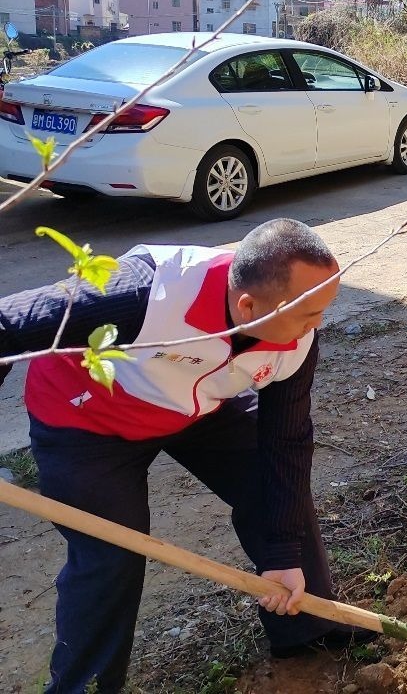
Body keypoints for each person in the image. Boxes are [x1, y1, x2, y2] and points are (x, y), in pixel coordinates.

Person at [0, 219, 364, 694]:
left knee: (269, 485)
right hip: (87, 420)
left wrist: (284, 554)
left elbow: (286, 442)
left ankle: (305, 625)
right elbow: (7, 325)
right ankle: (83, 687)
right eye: (307, 313)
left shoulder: (297, 339)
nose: (318, 324)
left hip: (195, 406)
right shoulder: (143, 290)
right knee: (112, 555)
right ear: (249, 306)